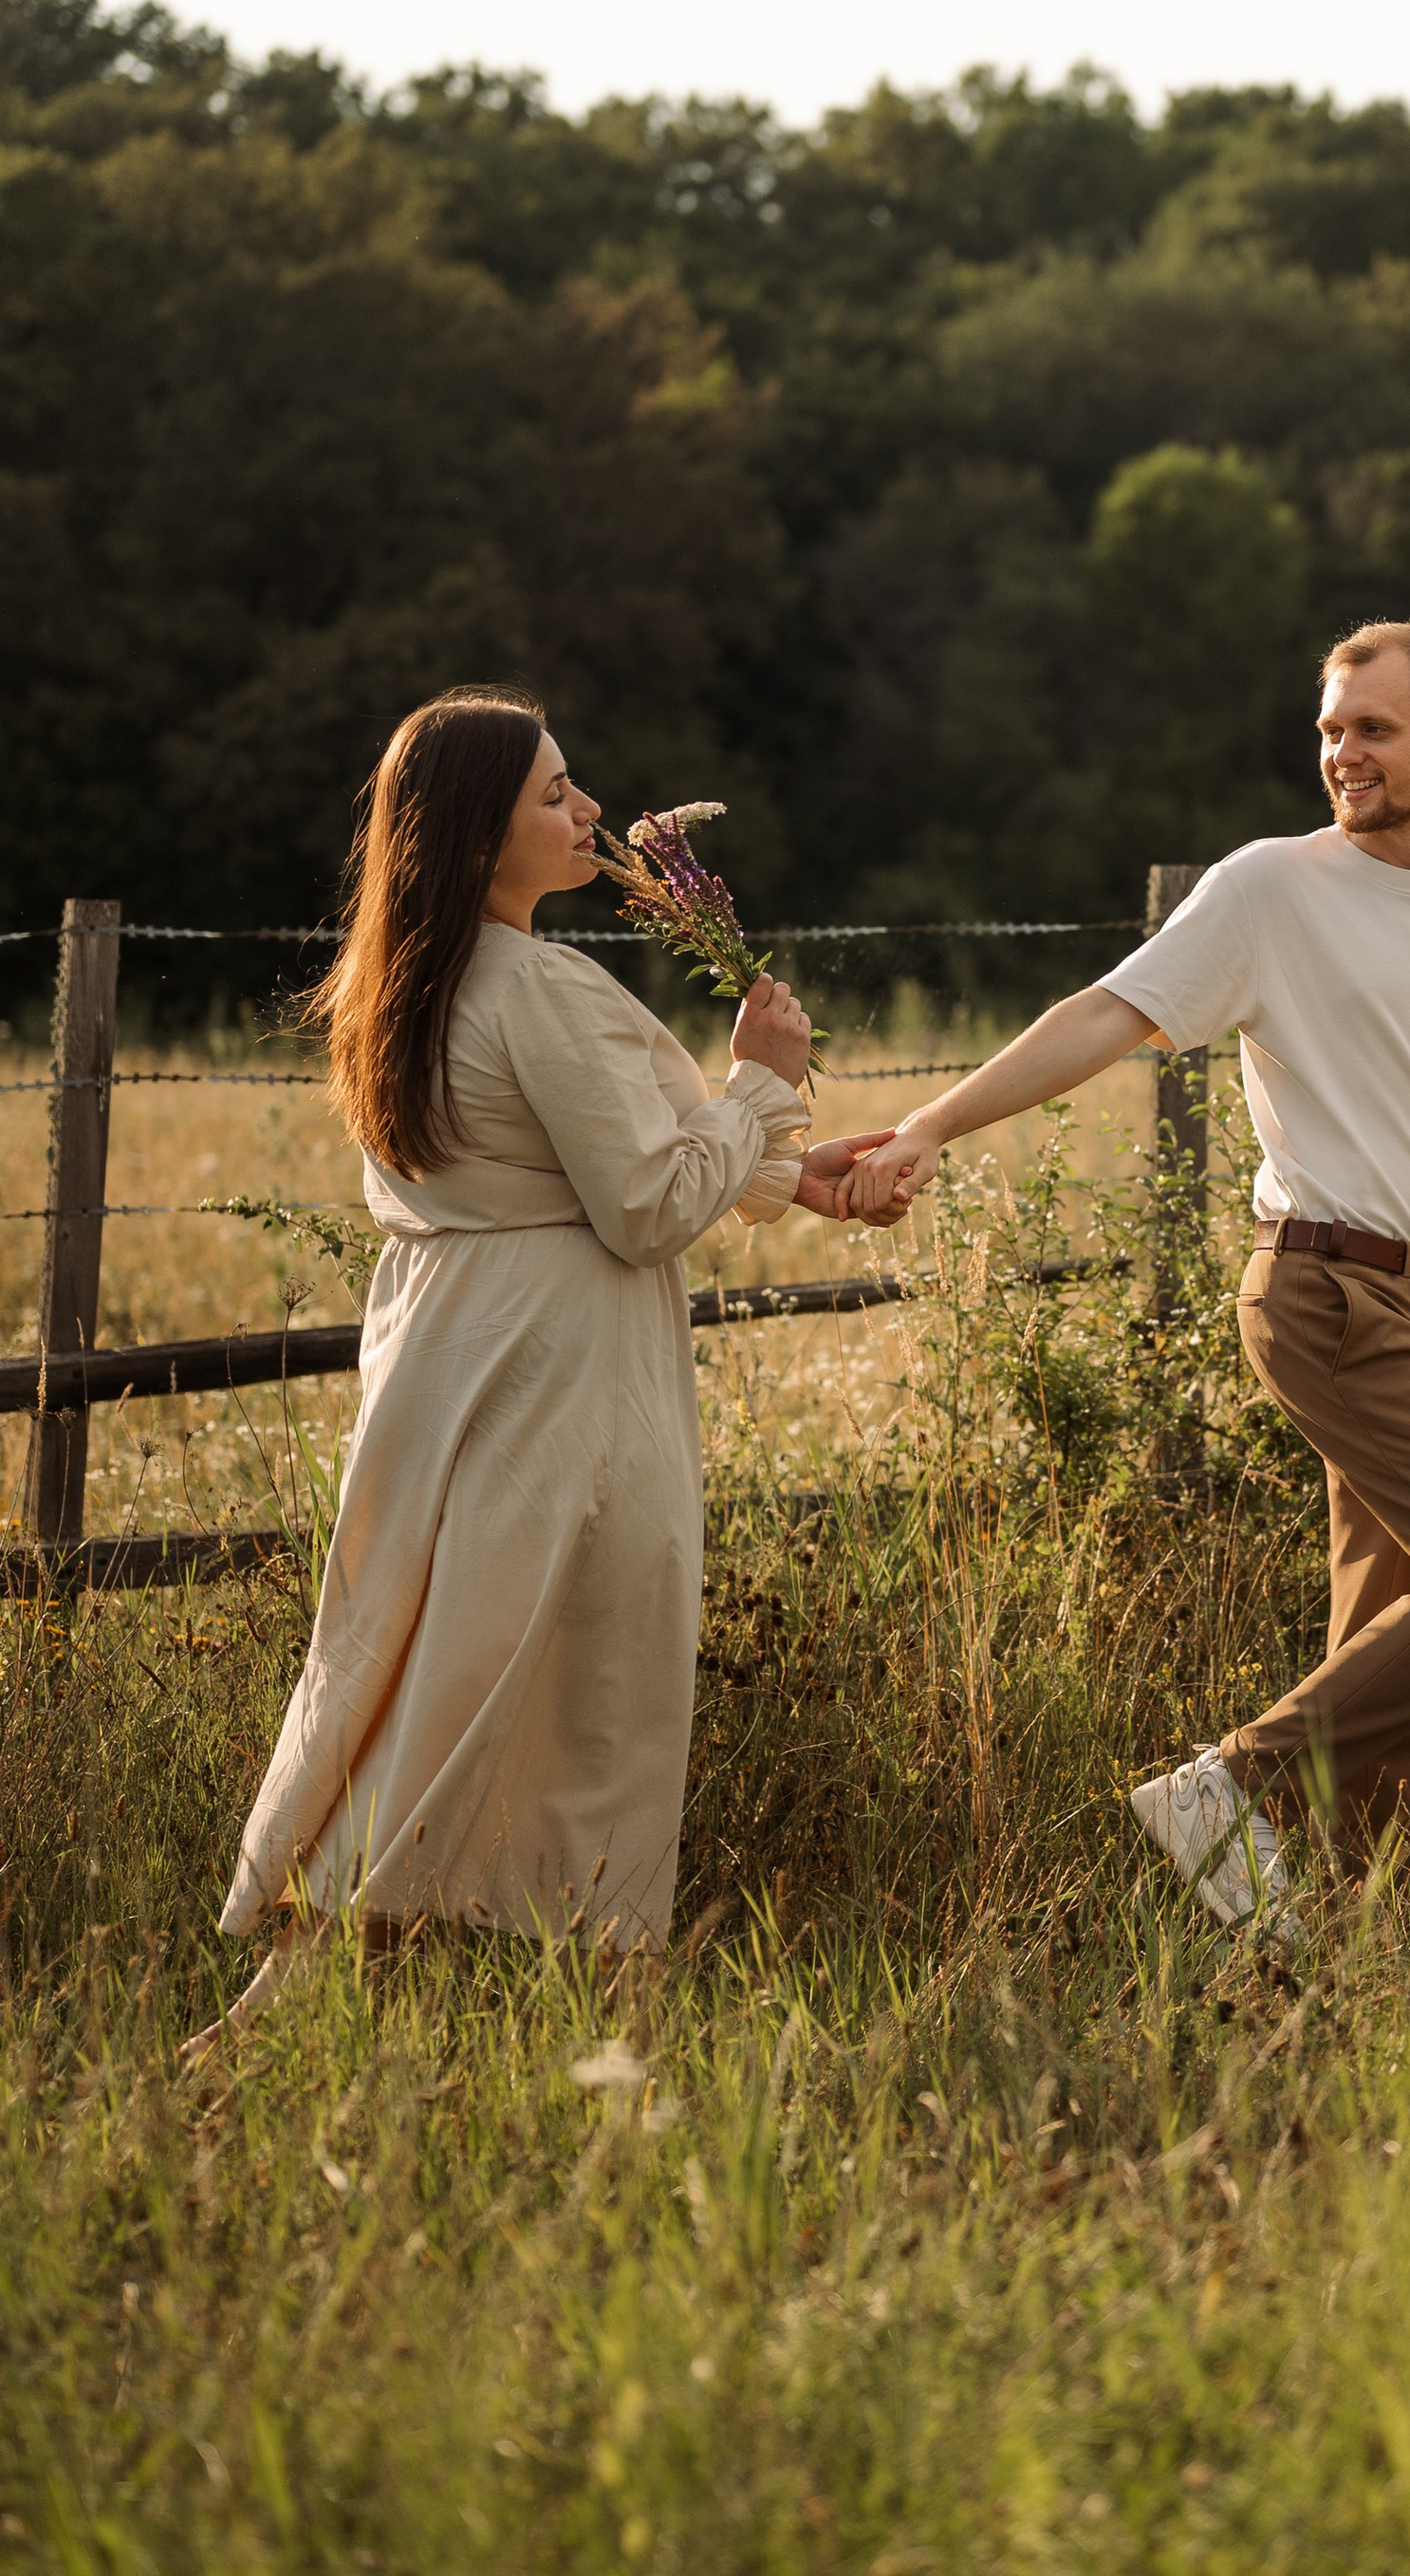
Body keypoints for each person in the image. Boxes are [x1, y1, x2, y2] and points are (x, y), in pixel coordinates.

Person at [844, 620, 1410, 1931]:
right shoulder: (1270, 887)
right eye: (1328, 729)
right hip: (1322, 1290)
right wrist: (927, 1125)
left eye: (1372, 729)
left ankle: (1348, 1931)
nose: (1342, 753)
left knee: (1392, 1633)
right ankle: (1232, 1783)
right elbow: (1105, 1014)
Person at [195, 686, 905, 2044]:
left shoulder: (406, 977)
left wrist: (797, 1177)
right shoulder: (537, 984)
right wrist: (760, 1076)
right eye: (552, 796)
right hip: (563, 1367)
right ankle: (597, 2002)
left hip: (452, 1352)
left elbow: (578, 1166)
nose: (587, 812)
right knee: (588, 1669)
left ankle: (337, 1996)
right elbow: (642, 1204)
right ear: (474, 837)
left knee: (439, 1662)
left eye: (576, 788)